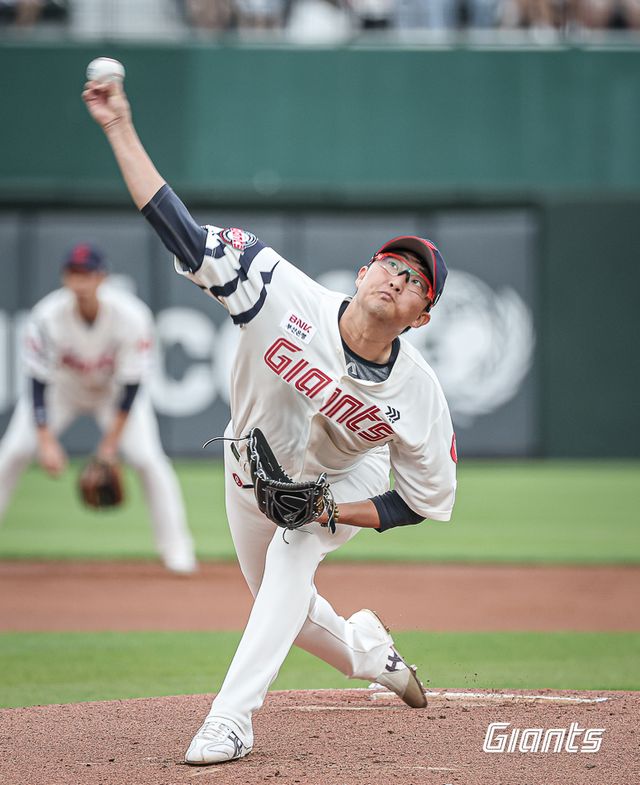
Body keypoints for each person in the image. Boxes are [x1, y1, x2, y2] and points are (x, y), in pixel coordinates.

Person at [82, 75, 457, 765]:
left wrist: (332, 508)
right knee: (284, 606)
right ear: (363, 268)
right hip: (246, 466)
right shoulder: (279, 289)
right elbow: (179, 229)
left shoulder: (419, 393)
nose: (397, 278)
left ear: (422, 315)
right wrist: (118, 127)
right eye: (390, 263)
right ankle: (371, 654)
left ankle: (232, 719)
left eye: (414, 280)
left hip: (344, 477)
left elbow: (422, 500)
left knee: (294, 555)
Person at [0, 244, 197, 575]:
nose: (80, 281)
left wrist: (109, 445)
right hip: (61, 391)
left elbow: (133, 385)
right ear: (65, 277)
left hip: (114, 393)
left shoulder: (131, 316)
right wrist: (45, 441)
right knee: (14, 452)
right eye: (73, 273)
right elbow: (36, 381)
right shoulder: (46, 316)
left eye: (87, 273)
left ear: (101, 277)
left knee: (148, 460)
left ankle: (177, 550)